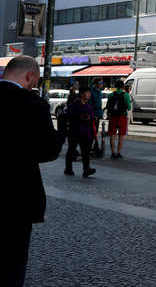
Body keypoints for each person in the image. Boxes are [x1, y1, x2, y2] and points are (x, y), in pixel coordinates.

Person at [0, 56, 64, 286]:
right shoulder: (33, 105)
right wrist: (61, 135)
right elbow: (47, 152)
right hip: (16, 198)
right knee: (12, 263)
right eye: (34, 82)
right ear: (29, 76)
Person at [64, 86, 97, 178]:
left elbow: (91, 118)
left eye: (90, 93)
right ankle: (68, 168)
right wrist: (80, 117)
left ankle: (86, 169)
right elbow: (69, 115)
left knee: (86, 152)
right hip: (75, 131)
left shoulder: (88, 106)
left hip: (86, 132)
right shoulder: (74, 104)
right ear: (82, 94)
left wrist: (92, 118)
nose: (89, 95)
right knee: (72, 149)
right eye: (88, 93)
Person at [107, 80, 131, 159]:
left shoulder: (111, 95)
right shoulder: (126, 95)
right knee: (121, 136)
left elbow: (108, 106)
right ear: (123, 86)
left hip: (113, 117)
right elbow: (129, 107)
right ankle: (118, 153)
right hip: (122, 117)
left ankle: (113, 153)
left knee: (112, 135)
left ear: (116, 86)